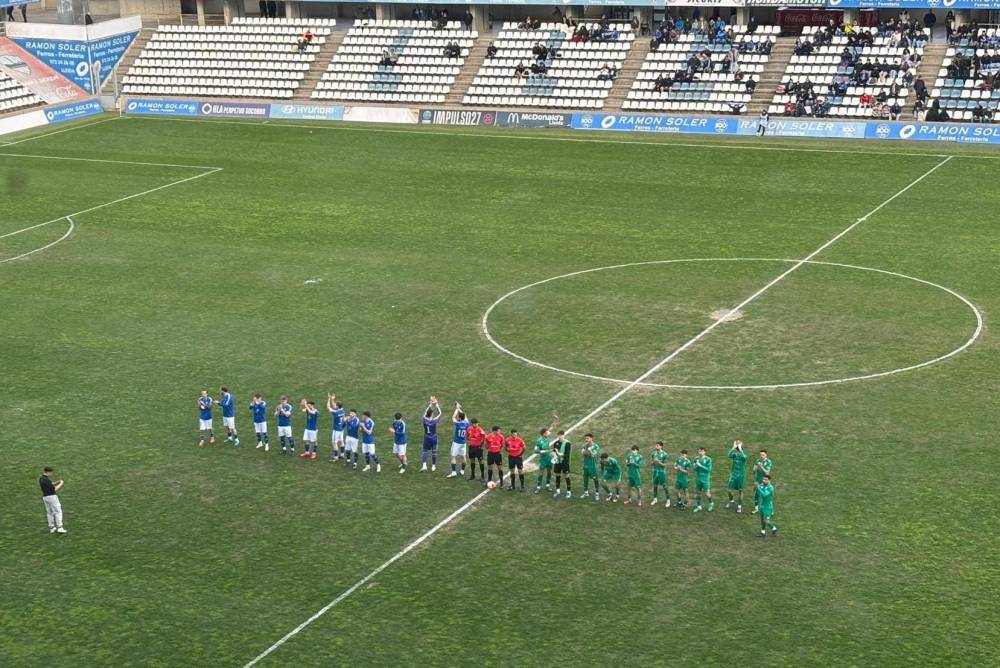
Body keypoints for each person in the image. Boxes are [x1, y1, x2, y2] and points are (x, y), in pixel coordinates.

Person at [533, 415, 560, 494]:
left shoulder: (546, 437)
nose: (548, 433)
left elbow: (552, 427)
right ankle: (538, 487)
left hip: (549, 458)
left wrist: (556, 420)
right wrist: (544, 451)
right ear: (543, 434)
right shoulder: (539, 441)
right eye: (546, 433)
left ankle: (547, 485)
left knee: (549, 472)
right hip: (543, 459)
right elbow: (535, 451)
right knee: (541, 472)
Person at [40, 467, 66, 534]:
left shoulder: (42, 479)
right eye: (51, 472)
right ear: (48, 472)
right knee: (58, 511)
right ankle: (60, 527)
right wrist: (61, 484)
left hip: (45, 497)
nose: (51, 474)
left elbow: (51, 484)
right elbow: (54, 490)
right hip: (52, 497)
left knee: (49, 512)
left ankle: (52, 528)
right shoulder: (47, 480)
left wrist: (58, 481)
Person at [447, 403, 469, 479]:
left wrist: (456, 409)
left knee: (453, 457)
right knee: (463, 457)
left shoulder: (458, 424)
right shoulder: (467, 423)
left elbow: (453, 417)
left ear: (459, 418)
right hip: (463, 443)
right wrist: (460, 409)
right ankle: (462, 471)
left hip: (456, 442)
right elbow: (465, 416)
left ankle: (453, 472)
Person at [421, 397, 441, 472]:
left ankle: (424, 465)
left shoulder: (424, 419)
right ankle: (433, 466)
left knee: (425, 450)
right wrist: (436, 404)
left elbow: (425, 412)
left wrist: (430, 404)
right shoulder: (434, 420)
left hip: (426, 437)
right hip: (434, 438)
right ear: (432, 414)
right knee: (434, 451)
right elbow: (440, 413)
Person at [727, 439, 747, 512]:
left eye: (738, 444)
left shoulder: (743, 453)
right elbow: (728, 455)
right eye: (736, 443)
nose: (737, 445)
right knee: (729, 490)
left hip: (740, 475)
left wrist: (741, 449)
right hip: (733, 474)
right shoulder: (734, 454)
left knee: (740, 491)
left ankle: (739, 506)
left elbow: (744, 458)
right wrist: (733, 447)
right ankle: (731, 501)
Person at [551, 430, 572, 499]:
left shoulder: (567, 443)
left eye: (561, 435)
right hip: (558, 462)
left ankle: (569, 491)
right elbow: (554, 452)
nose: (560, 437)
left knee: (566, 476)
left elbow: (566, 454)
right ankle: (558, 490)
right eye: (558, 435)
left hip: (565, 462)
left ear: (563, 435)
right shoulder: (556, 443)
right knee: (557, 475)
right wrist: (554, 457)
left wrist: (559, 454)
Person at [752, 449, 774, 514]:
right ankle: (756, 509)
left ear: (766, 455)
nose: (761, 456)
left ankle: (770, 509)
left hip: (765, 481)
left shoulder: (769, 462)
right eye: (760, 455)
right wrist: (756, 468)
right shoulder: (757, 461)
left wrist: (761, 467)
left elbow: (767, 473)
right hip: (758, 480)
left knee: (767, 497)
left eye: (763, 455)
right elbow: (753, 471)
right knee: (756, 494)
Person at [580, 433, 601, 500]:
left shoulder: (596, 446)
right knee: (585, 479)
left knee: (595, 480)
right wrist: (587, 452)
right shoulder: (585, 446)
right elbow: (582, 453)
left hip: (593, 466)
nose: (586, 440)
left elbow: (593, 455)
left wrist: (589, 451)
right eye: (585, 438)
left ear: (591, 438)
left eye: (587, 438)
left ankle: (597, 493)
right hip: (586, 465)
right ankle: (586, 492)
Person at [693, 447, 714, 512]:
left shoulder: (708, 459)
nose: (700, 452)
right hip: (698, 478)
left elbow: (709, 470)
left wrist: (700, 465)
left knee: (707, 493)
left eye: (702, 451)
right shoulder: (696, 459)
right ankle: (699, 506)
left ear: (705, 452)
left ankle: (711, 504)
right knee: (698, 492)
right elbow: (694, 469)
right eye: (699, 451)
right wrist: (696, 466)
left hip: (705, 479)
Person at [650, 441, 670, 507]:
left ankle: (668, 500)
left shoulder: (665, 454)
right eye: (656, 445)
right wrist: (653, 462)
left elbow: (665, 465)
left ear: (661, 446)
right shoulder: (653, 453)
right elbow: (651, 464)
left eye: (657, 445)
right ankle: (655, 499)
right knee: (655, 485)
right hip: (655, 472)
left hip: (662, 472)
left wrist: (658, 462)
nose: (656, 446)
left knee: (664, 486)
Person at [327, 393, 345, 461]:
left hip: (336, 429)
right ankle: (342, 454)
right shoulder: (342, 410)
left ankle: (335, 457)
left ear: (338, 406)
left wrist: (329, 399)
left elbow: (328, 407)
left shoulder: (336, 412)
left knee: (334, 443)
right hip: (341, 429)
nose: (335, 405)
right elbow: (334, 406)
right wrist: (332, 399)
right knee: (341, 441)